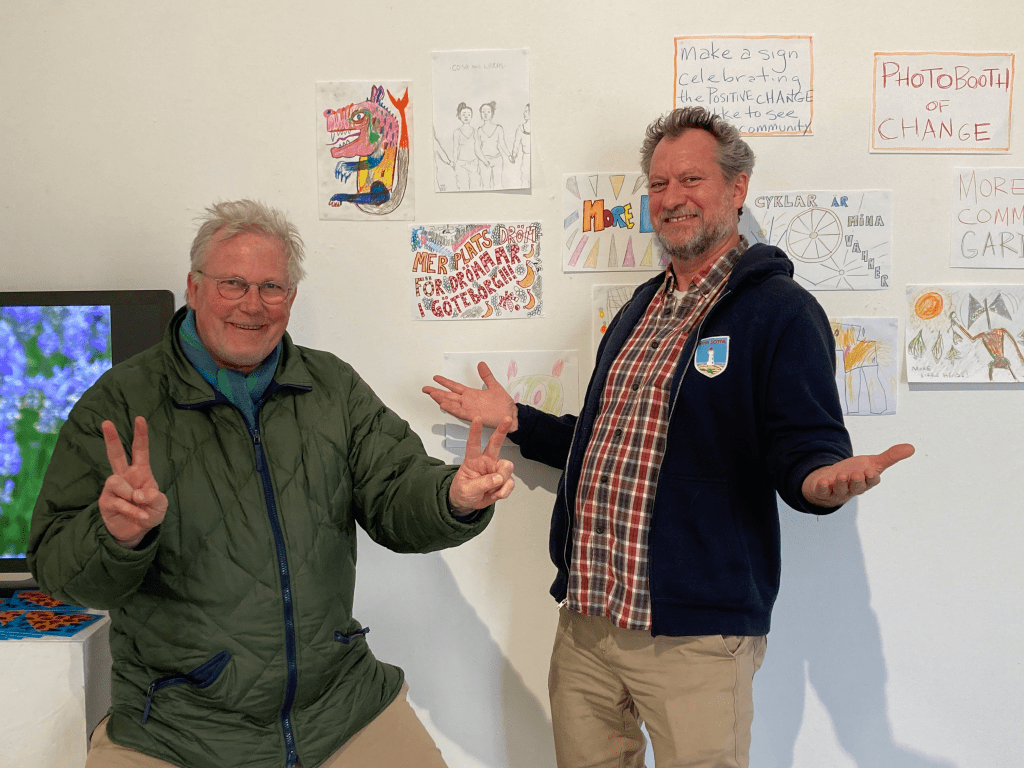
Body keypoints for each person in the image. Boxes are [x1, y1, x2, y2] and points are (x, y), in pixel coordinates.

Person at [423, 107, 915, 768]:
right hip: (588, 623)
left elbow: (806, 449)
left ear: (737, 189)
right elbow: (604, 444)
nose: (672, 197)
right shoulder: (639, 309)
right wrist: (518, 420)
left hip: (695, 638)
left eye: (691, 179)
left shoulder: (781, 312)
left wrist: (820, 481)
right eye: (658, 184)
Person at [28, 199, 514, 768]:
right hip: (178, 726)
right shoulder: (118, 400)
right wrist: (116, 535)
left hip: (338, 707)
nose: (252, 305)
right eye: (232, 283)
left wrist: (452, 498)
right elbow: (59, 571)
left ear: (292, 297)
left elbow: (396, 488)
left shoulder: (332, 386)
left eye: (271, 287)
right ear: (193, 287)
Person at [475, 101, 512, 190]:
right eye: (483, 111)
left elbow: (502, 144)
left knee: (498, 185)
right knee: (486, 186)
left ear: (492, 113)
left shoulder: (499, 128)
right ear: (480, 114)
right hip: (484, 161)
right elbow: (477, 149)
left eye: (488, 111)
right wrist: (484, 161)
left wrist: (509, 155)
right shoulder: (479, 131)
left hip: (497, 159)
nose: (485, 114)